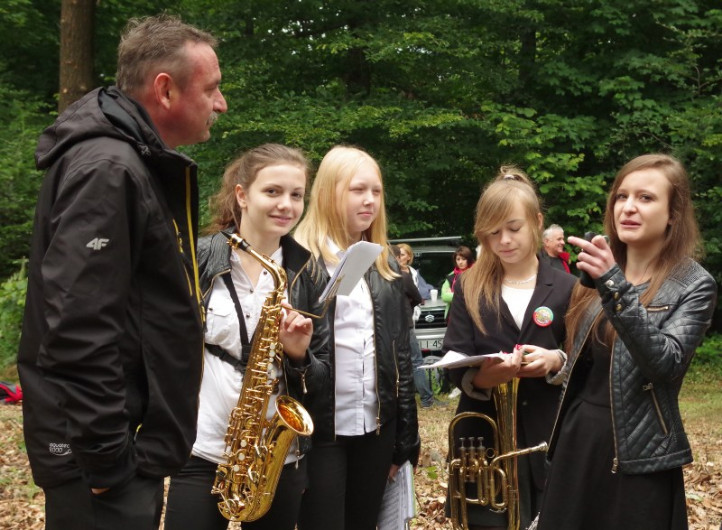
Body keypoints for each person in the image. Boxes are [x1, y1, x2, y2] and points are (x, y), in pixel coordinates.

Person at [16, 14, 227, 530]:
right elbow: (78, 326)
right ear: (165, 90)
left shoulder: (129, 162)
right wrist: (107, 460)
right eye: (212, 88)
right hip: (102, 462)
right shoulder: (108, 169)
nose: (221, 103)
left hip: (117, 451)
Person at [537, 154, 717, 530]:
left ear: (673, 214)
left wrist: (614, 285)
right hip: (579, 440)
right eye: (622, 196)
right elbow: (589, 364)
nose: (628, 207)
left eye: (646, 198)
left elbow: (665, 364)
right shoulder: (595, 275)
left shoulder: (692, 283)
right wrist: (556, 361)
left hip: (639, 452)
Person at [164, 144, 332, 530]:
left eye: (296, 195)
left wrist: (299, 356)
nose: (286, 205)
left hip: (274, 459)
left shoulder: (309, 272)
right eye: (272, 191)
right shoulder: (198, 257)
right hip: (201, 447)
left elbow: (322, 385)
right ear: (242, 195)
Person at [442, 166, 577, 530]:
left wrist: (555, 360)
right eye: (493, 232)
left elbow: (584, 357)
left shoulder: (567, 287)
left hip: (546, 435)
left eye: (514, 228)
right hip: (483, 441)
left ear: (537, 222)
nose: (504, 240)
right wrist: (483, 378)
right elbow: (454, 356)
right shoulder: (468, 285)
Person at [294, 145, 420, 530]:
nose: (370, 201)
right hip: (320, 432)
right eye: (358, 190)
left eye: (376, 191)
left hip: (375, 430)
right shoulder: (299, 262)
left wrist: (405, 440)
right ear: (329, 192)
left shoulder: (383, 265)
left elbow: (401, 356)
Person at [392, 245, 435, 408]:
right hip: (405, 324)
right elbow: (417, 297)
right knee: (416, 361)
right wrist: (408, 306)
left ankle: (400, 399)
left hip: (386, 326)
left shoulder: (380, 277)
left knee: (395, 362)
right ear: (397, 258)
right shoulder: (403, 276)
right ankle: (426, 398)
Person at [440, 245, 476, 318]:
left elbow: (475, 296)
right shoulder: (451, 276)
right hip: (453, 315)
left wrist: (453, 294)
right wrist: (463, 295)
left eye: (463, 259)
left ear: (469, 259)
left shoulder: (476, 274)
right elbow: (444, 296)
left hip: (472, 315)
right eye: (458, 259)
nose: (460, 262)